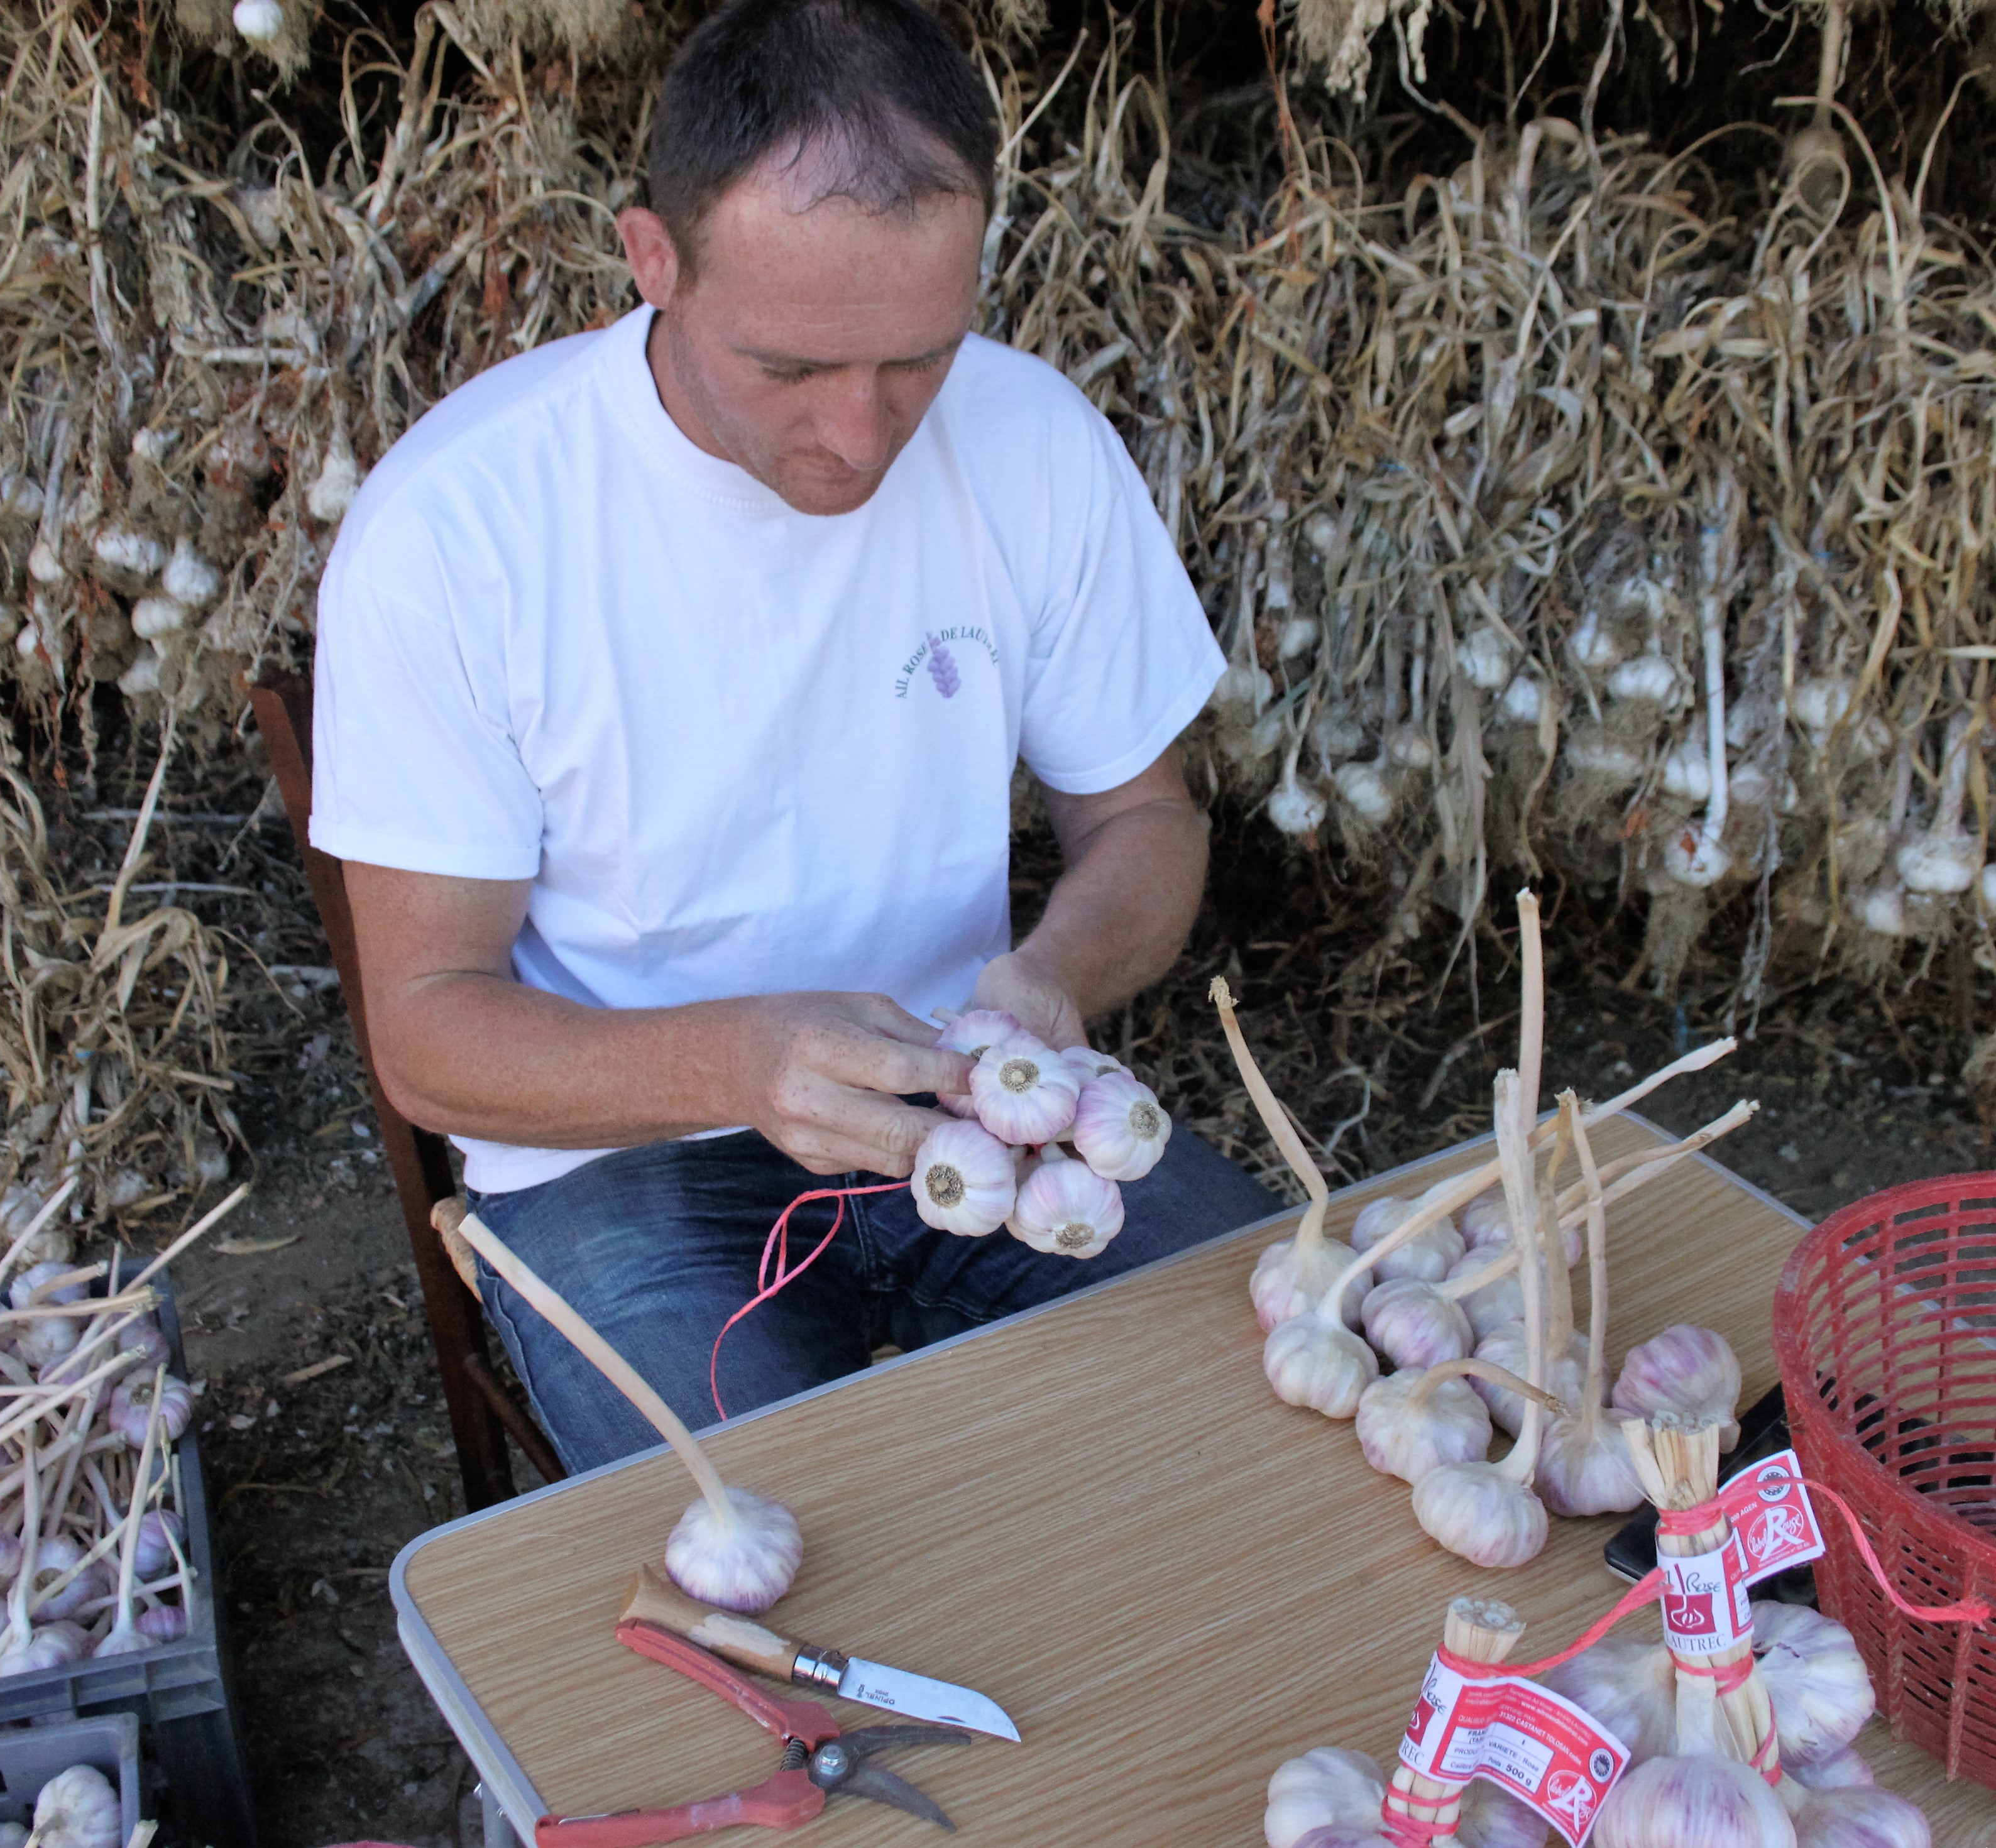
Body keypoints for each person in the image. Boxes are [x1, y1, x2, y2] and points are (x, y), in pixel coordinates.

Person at [309, 0, 1278, 1475]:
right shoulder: (459, 530)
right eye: (787, 368)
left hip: (966, 1087)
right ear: (652, 259)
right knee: (784, 1566)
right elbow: (431, 1037)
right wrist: (742, 1065)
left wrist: (1049, 976)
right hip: (618, 1150)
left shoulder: (1032, 439)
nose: (860, 434)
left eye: (917, 359)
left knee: (1291, 1401)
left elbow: (1143, 822)